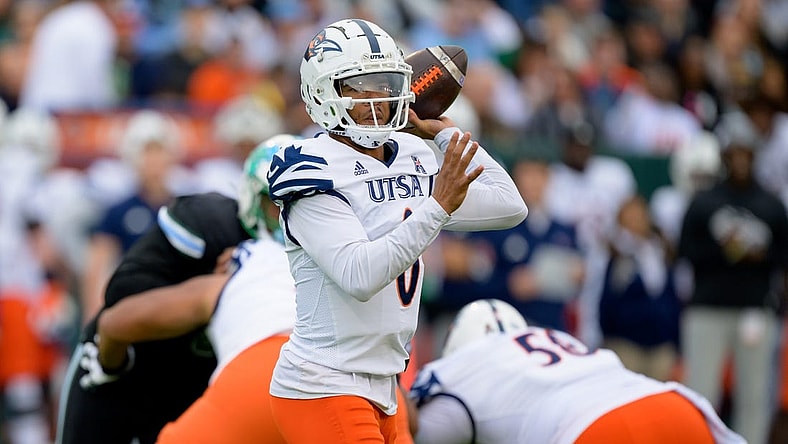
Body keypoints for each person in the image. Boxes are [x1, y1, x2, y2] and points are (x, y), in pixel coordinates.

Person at [266, 18, 528, 444]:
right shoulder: (310, 165)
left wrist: (445, 135)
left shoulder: (411, 153)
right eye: (359, 86)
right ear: (322, 93)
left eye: (385, 83)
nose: (378, 98)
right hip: (323, 382)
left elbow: (508, 204)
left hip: (387, 384)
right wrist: (439, 206)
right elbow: (360, 276)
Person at [53, 132, 276, 443]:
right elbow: (119, 309)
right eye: (276, 201)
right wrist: (224, 290)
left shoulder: (325, 246)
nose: (289, 215)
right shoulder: (214, 229)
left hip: (206, 382)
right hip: (130, 368)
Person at [409, 298, 746, 444]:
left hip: (597, 429)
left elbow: (418, 433)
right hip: (677, 408)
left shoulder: (463, 367)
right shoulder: (551, 336)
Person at [678, 111, 788, 444]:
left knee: (754, 396)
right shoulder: (705, 201)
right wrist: (727, 251)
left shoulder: (770, 204)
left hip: (755, 307)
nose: (740, 159)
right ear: (724, 155)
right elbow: (685, 251)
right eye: (734, 152)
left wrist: (757, 255)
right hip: (708, 306)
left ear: (755, 155)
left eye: (746, 152)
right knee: (701, 391)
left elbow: (783, 257)